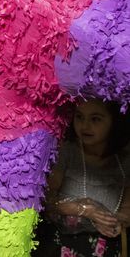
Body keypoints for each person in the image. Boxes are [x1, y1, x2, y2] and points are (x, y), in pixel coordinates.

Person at [46, 99, 130, 256]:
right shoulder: (66, 149)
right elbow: (47, 200)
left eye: (95, 119)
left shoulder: (125, 156)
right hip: (64, 243)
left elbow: (126, 208)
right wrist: (83, 209)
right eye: (79, 117)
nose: (84, 126)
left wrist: (117, 221)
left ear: (115, 121)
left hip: (107, 244)